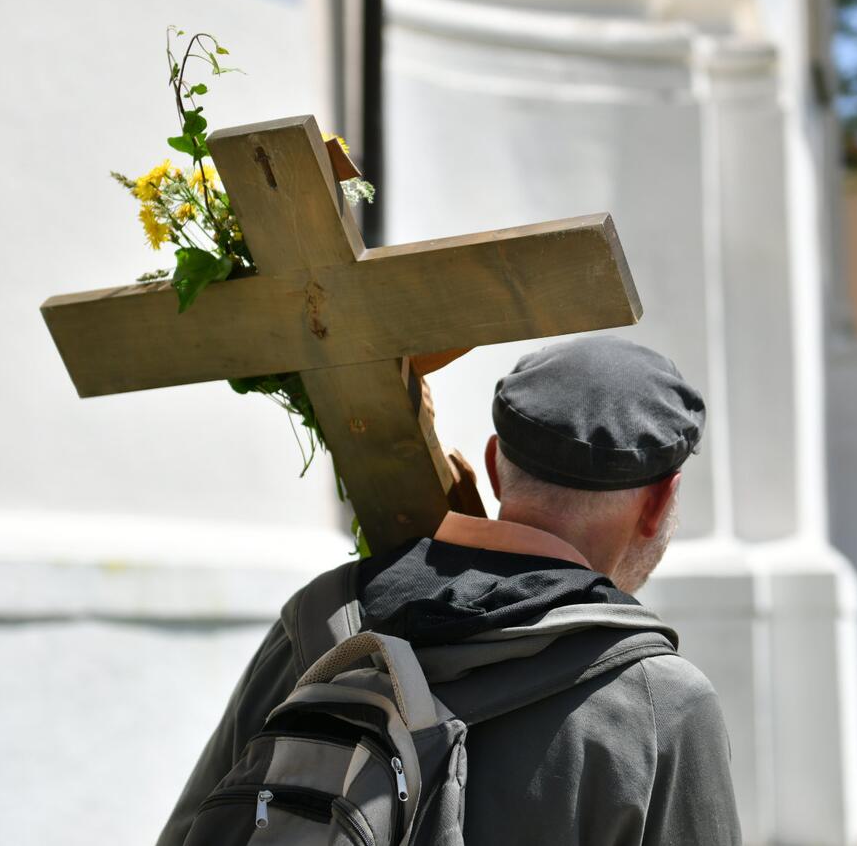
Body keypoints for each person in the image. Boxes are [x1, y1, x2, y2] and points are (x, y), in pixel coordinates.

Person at [157, 336, 741, 845]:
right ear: (660, 500)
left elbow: (193, 832)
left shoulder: (325, 620)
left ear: (493, 463)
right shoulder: (662, 701)